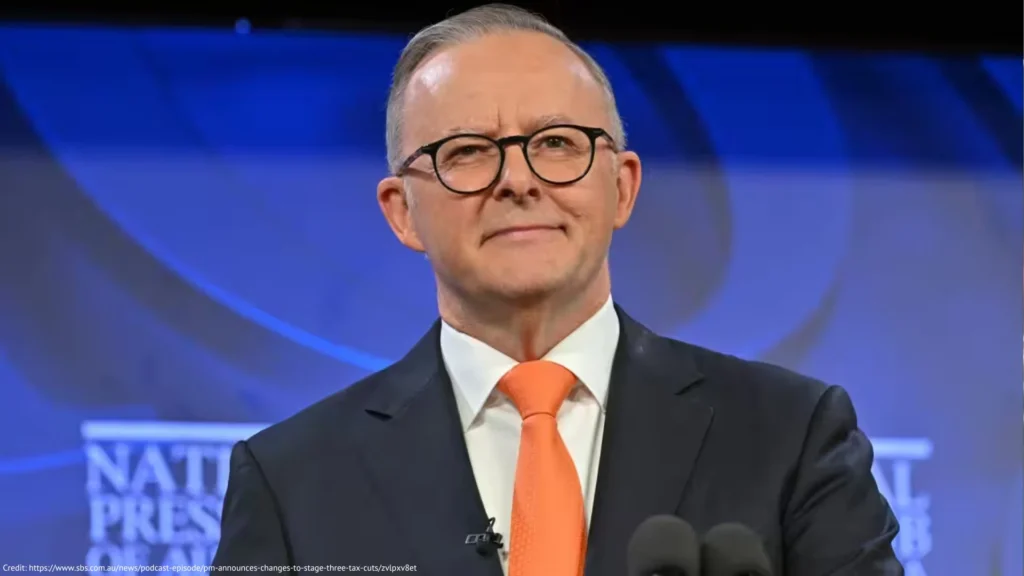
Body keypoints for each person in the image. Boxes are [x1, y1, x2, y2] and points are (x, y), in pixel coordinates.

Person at [212, 4, 903, 575]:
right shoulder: (291, 482)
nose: (518, 180)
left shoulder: (789, 435)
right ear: (402, 212)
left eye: (557, 143)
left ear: (622, 187)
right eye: (466, 151)